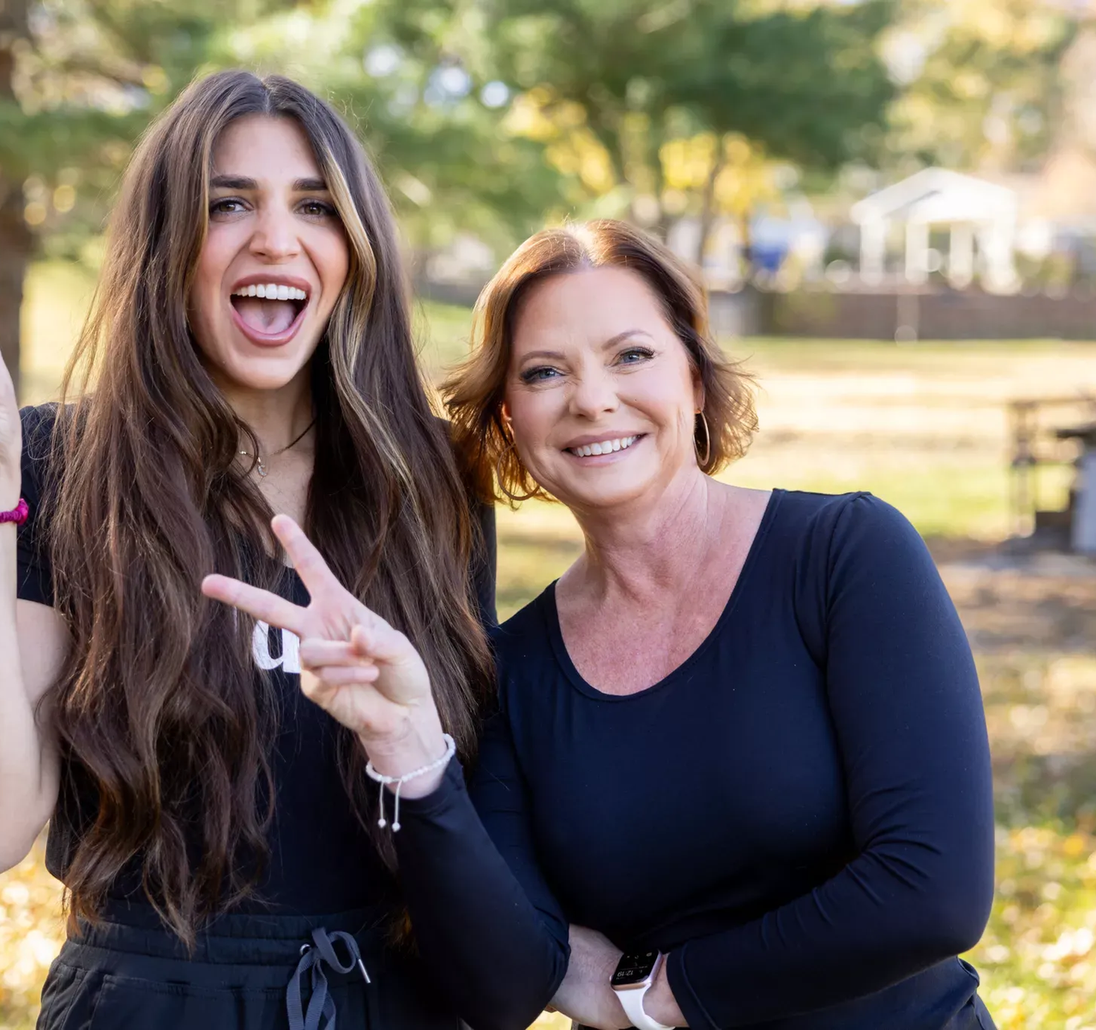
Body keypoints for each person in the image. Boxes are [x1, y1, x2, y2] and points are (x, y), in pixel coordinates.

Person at [204, 219, 997, 1030]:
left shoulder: (844, 557)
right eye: (545, 372)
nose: (592, 399)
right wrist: (407, 748)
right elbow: (505, 985)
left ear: (694, 377)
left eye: (632, 355)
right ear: (508, 419)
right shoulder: (513, 670)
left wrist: (660, 993)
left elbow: (933, 892)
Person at [0, 70, 496, 1030]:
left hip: (398, 1001)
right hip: (150, 1003)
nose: (275, 237)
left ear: (357, 248)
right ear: (166, 248)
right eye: (227, 205)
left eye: (314, 205)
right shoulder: (63, 464)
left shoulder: (428, 483)